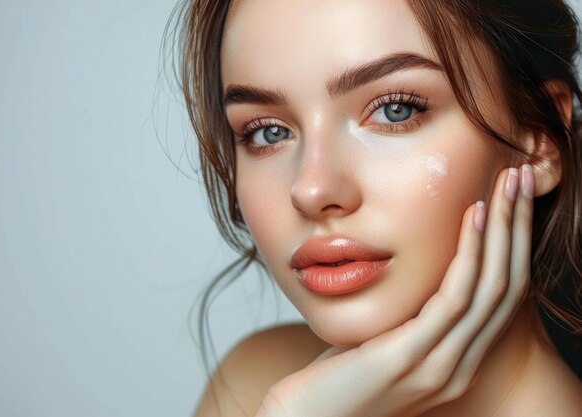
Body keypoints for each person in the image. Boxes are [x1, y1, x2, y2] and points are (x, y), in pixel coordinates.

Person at [166, 0, 582, 415]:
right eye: (268, 132)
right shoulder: (253, 380)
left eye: (394, 109)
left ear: (538, 139)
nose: (310, 190)